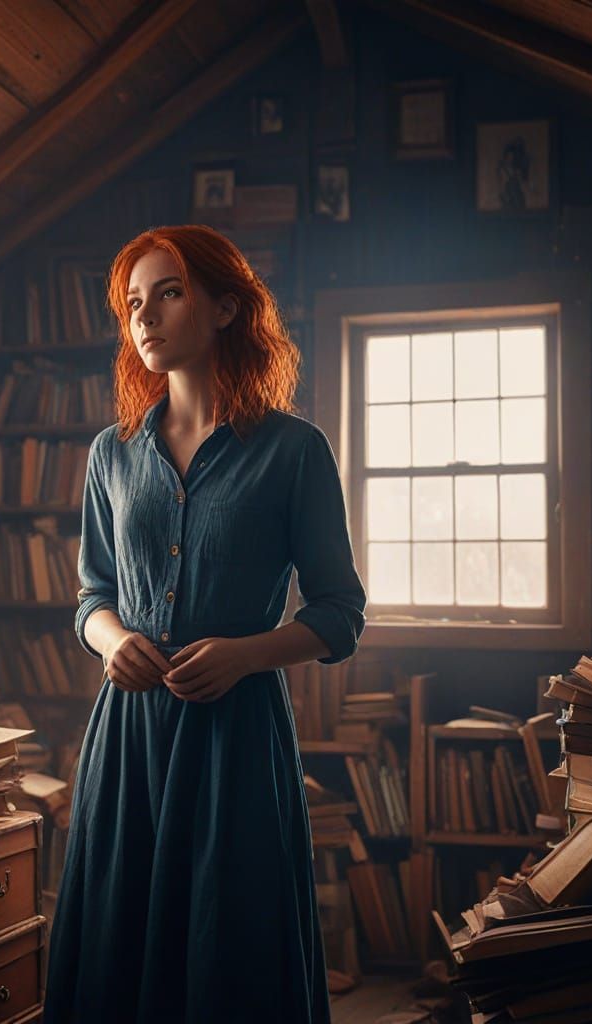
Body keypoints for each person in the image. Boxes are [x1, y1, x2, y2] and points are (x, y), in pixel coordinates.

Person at [42, 224, 366, 1024]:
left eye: (169, 293)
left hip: (237, 741)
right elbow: (90, 597)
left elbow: (340, 614)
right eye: (132, 303)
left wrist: (247, 655)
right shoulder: (110, 454)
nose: (145, 316)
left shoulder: (295, 451)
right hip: (129, 739)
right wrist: (114, 641)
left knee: (232, 947)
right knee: (117, 941)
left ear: (226, 307)